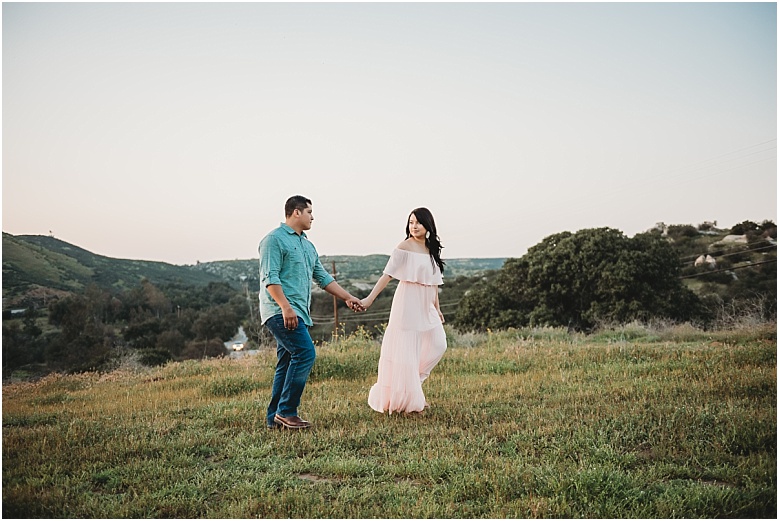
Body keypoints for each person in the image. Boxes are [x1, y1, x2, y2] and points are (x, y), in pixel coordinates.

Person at [259, 195, 363, 430]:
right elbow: (270, 278)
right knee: (305, 354)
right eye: (309, 212)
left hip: (299, 313)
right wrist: (286, 307)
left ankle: (274, 418)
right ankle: (287, 411)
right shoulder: (273, 240)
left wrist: (348, 297)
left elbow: (323, 277)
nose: (312, 217)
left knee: (286, 363)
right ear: (296, 212)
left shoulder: (307, 245)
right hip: (280, 310)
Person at [361, 207, 447, 414]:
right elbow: (387, 275)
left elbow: (433, 282)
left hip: (427, 305)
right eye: (411, 222)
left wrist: (437, 308)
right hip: (407, 302)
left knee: (438, 344)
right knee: (407, 350)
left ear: (428, 225)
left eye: (418, 222)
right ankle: (410, 395)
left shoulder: (431, 248)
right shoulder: (405, 246)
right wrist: (369, 299)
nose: (414, 226)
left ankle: (412, 386)